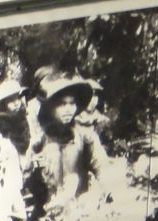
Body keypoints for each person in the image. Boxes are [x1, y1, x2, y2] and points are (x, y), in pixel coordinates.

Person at [28, 77, 108, 213]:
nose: (68, 109)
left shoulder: (85, 135)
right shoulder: (40, 140)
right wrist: (33, 166)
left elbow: (102, 166)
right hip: (48, 211)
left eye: (72, 103)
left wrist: (103, 191)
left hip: (80, 207)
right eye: (62, 104)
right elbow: (26, 179)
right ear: (51, 108)